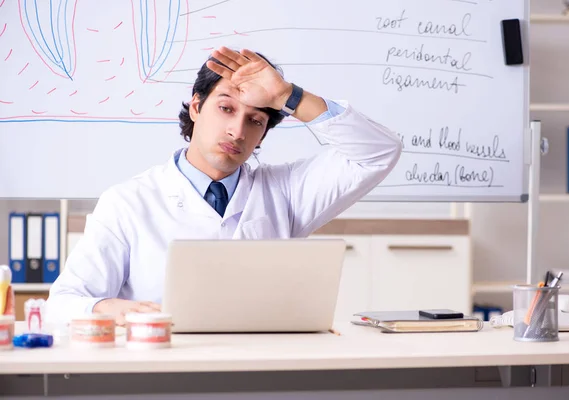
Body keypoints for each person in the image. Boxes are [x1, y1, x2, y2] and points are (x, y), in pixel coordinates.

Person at [46, 46, 402, 325]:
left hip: (262, 371)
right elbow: (63, 304)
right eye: (226, 108)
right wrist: (110, 308)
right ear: (197, 107)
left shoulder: (285, 191)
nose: (238, 131)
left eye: (256, 120)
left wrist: (286, 97)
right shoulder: (128, 202)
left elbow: (378, 151)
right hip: (164, 368)